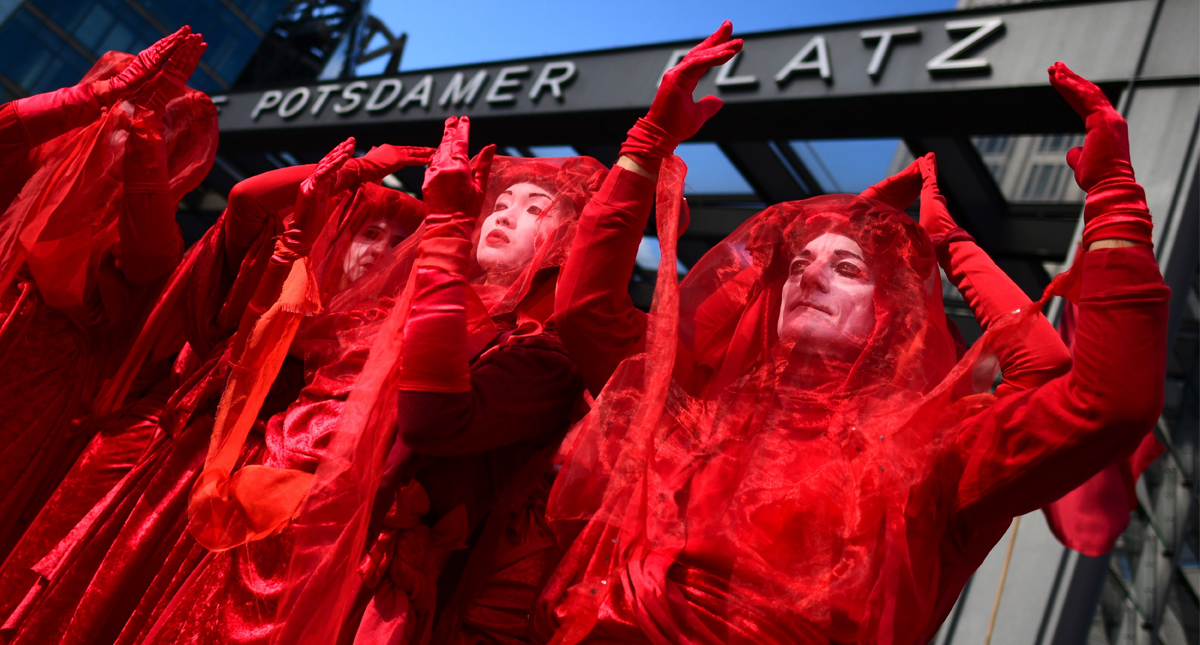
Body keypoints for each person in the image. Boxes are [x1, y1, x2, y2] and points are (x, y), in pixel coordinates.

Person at [535, 23, 1167, 645]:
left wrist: (973, 239)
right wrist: (647, 145)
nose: (809, 278)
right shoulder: (697, 410)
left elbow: (1099, 397)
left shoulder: (931, 455)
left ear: (890, 316)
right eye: (797, 267)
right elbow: (586, 312)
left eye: (845, 270)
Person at [1, 139, 433, 645]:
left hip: (250, 511)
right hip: (175, 467)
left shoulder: (384, 340)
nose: (379, 250)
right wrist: (354, 171)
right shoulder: (275, 273)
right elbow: (246, 199)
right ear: (342, 234)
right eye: (371, 232)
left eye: (399, 241)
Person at [266, 116, 613, 645]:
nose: (505, 215)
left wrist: (448, 230)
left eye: (535, 209)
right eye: (500, 204)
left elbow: (433, 423)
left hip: (358, 586)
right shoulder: (392, 308)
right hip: (268, 536)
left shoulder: (545, 355)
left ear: (569, 240)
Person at [0, 30, 216, 567]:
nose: (141, 119)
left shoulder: (149, 226)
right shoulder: (29, 167)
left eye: (168, 124)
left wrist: (142, 128)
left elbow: (151, 261)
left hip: (41, 383)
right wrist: (99, 98)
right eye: (132, 102)